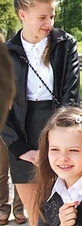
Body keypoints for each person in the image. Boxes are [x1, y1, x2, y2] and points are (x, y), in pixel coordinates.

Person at [1, 0, 80, 224]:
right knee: (37, 217)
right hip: (20, 134)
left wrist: (57, 142)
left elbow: (70, 95)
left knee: (63, 215)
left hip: (60, 132)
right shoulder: (6, 51)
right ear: (22, 15)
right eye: (42, 17)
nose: (49, 23)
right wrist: (20, 148)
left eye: (52, 16)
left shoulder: (65, 44)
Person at [0, 38, 24, 225]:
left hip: (15, 122)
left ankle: (19, 208)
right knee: (1, 170)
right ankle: (2, 208)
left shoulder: (10, 57)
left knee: (19, 167)